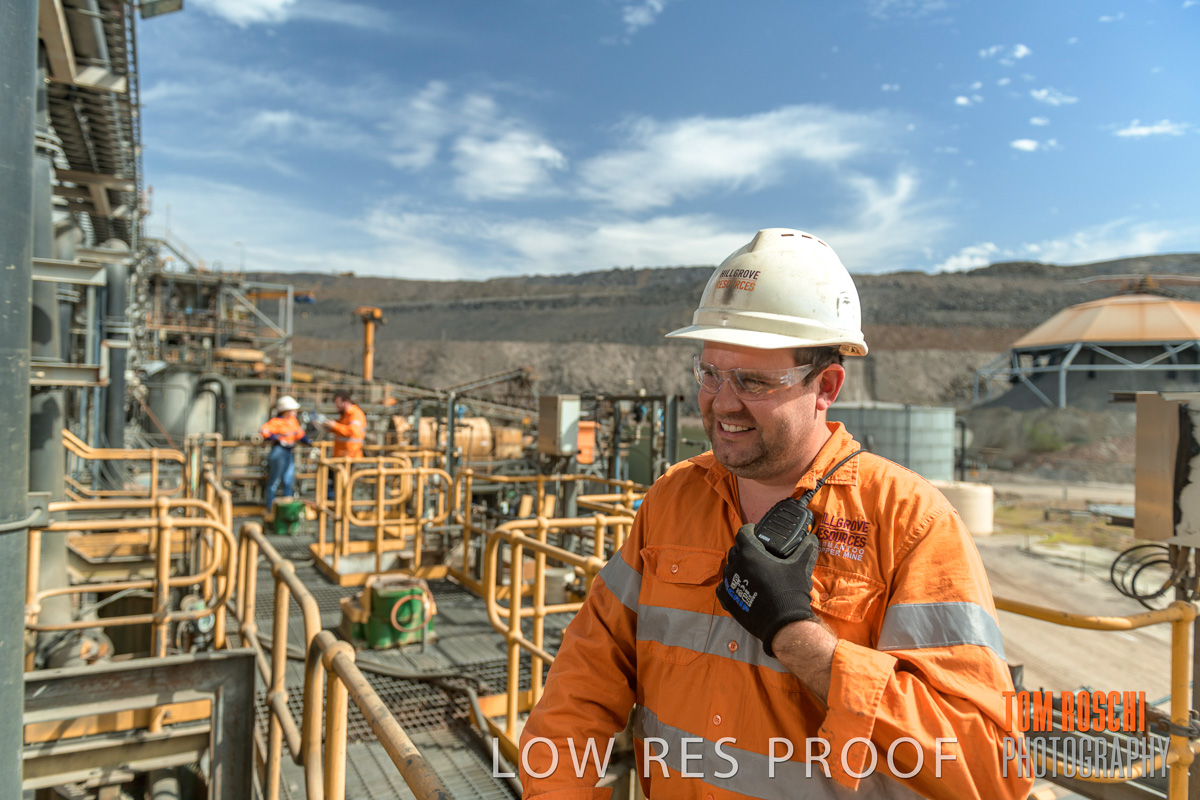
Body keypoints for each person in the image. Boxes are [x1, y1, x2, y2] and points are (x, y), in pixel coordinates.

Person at [519, 229, 1032, 800]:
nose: (723, 402)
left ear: (826, 386)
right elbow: (586, 677)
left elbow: (990, 770)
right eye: (710, 373)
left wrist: (799, 639)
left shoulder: (910, 523)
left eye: (755, 382)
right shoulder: (673, 498)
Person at [260, 395, 311, 511]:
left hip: (289, 452)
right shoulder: (275, 422)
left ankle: (287, 510)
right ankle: (270, 509)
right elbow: (264, 431)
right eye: (293, 410)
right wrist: (277, 439)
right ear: (285, 410)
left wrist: (308, 442)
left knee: (288, 481)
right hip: (279, 451)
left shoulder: (293, 421)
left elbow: (300, 434)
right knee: (274, 481)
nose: (295, 412)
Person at [320, 392, 367, 458]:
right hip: (340, 455)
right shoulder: (344, 415)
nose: (337, 406)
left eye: (338, 403)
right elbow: (341, 431)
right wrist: (330, 427)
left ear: (346, 402)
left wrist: (334, 425)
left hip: (351, 457)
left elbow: (352, 431)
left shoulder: (355, 414)